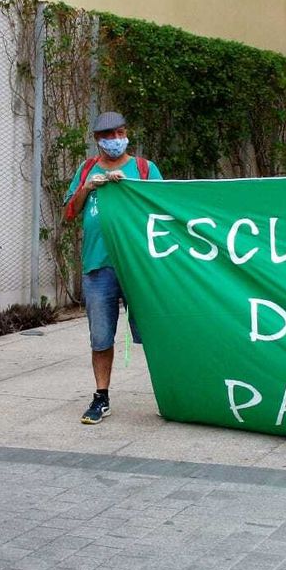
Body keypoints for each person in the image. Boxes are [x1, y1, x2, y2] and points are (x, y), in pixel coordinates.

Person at [63, 111, 163, 425]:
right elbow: (69, 212)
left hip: (139, 266)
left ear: (126, 133)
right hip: (98, 265)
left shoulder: (144, 169)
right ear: (97, 140)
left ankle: (171, 391)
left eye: (119, 133)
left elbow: (164, 207)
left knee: (156, 332)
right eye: (108, 136)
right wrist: (89, 187)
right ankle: (101, 396)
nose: (115, 140)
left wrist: (132, 188)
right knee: (101, 336)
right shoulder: (86, 169)